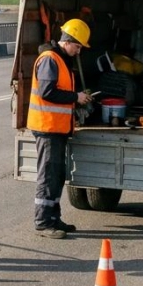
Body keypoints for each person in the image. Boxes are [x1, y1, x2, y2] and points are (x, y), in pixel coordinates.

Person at [27, 18, 92, 239]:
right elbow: (47, 92)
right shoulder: (50, 59)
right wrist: (76, 97)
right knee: (48, 176)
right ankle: (43, 222)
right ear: (68, 41)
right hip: (47, 128)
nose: (79, 51)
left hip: (56, 128)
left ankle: (54, 218)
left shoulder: (60, 59)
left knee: (56, 175)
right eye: (78, 47)